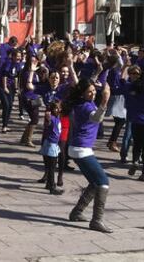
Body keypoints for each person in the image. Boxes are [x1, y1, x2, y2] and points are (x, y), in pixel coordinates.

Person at [67, 79, 113, 233]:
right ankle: (97, 220)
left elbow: (82, 80)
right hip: (81, 149)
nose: (93, 93)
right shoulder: (85, 106)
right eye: (89, 91)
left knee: (95, 182)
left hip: (78, 148)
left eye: (94, 90)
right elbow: (96, 118)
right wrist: (105, 100)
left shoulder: (83, 102)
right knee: (103, 182)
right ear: (82, 93)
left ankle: (76, 212)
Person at [40, 101, 63, 195]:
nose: (57, 110)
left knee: (49, 167)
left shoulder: (57, 118)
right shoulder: (52, 118)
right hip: (51, 144)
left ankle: (49, 184)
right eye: (55, 108)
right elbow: (48, 122)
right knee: (51, 167)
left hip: (51, 144)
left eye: (59, 108)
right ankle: (52, 187)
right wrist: (48, 117)